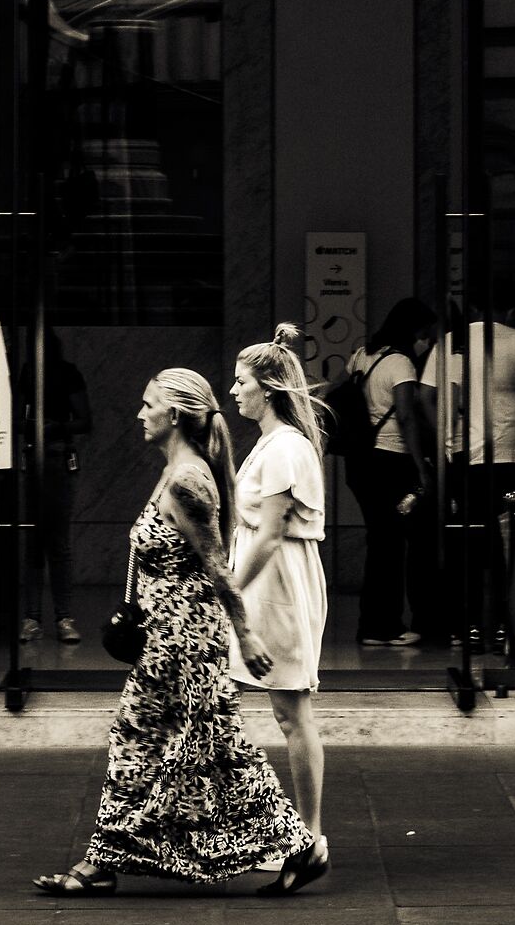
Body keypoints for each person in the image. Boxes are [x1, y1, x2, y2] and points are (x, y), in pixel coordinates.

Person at [33, 366, 328, 897]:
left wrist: (246, 634)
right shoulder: (174, 471)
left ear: (173, 415)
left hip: (187, 644)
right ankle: (105, 860)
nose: (139, 414)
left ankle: (299, 844)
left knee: (212, 749)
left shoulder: (189, 481)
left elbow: (217, 567)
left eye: (148, 405)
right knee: (139, 742)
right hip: (163, 642)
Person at [226, 322, 330, 860]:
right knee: (280, 712)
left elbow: (269, 534)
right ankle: (293, 833)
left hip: (277, 589)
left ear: (266, 389)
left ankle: (309, 837)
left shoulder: (285, 448)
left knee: (292, 713)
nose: (233, 390)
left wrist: (228, 591)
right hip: (268, 586)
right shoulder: (273, 445)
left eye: (241, 381)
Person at [442, 310, 515, 650]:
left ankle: (470, 627)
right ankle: (505, 625)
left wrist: (447, 446)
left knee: (471, 543)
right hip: (508, 455)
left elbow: (443, 398)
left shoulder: (454, 341)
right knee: (506, 545)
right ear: (510, 310)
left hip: (466, 457)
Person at [345, 297, 440, 649]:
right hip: (392, 462)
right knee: (395, 543)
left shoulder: (362, 355)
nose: (427, 342)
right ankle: (384, 626)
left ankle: (374, 624)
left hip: (361, 462)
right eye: (425, 334)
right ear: (413, 330)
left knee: (381, 541)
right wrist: (421, 467)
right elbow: (406, 417)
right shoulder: (401, 363)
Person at [22, 331, 91, 647]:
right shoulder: (29, 373)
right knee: (35, 542)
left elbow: (85, 420)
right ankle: (38, 618)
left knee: (56, 543)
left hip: (57, 455)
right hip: (35, 456)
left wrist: (56, 427)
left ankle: (57, 617)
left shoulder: (66, 373)